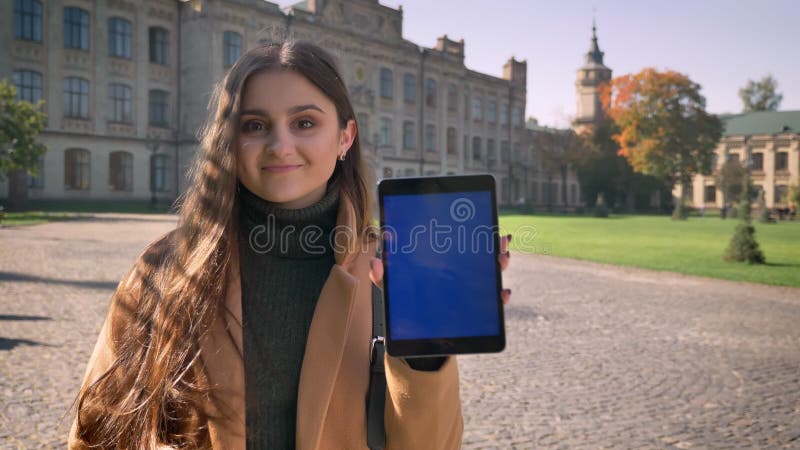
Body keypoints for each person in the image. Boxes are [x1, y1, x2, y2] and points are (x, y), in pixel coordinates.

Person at [68, 40, 513, 450]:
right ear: (230, 142)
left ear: (345, 137)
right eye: (256, 125)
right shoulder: (164, 270)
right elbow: (97, 431)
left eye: (304, 122)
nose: (281, 146)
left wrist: (428, 347)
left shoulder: (392, 270)